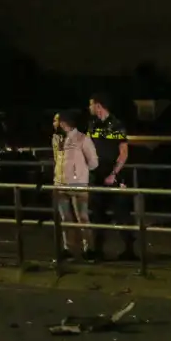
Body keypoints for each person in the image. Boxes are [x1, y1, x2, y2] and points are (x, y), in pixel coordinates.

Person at [86, 93, 135, 261]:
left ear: (98, 106)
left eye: (91, 104)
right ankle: (98, 250)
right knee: (97, 213)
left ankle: (130, 249)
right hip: (96, 174)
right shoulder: (92, 124)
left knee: (121, 212)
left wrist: (114, 173)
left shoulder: (117, 124)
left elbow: (124, 153)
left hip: (113, 174)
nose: (89, 108)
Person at [57, 111, 99, 259]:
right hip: (61, 184)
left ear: (63, 123)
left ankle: (89, 249)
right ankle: (68, 248)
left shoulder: (82, 139)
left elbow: (93, 162)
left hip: (78, 184)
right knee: (65, 218)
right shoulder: (59, 139)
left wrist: (79, 172)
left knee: (82, 217)